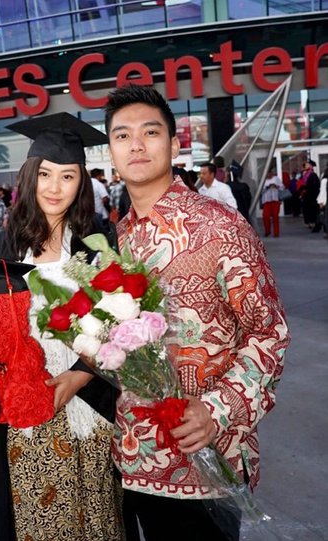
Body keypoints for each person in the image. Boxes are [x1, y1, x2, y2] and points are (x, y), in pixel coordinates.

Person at [104, 84, 290, 541]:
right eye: (121, 135)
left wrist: (217, 410)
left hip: (208, 466)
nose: (136, 144)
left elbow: (269, 333)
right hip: (135, 461)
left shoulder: (220, 226)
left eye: (150, 132)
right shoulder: (117, 240)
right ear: (111, 152)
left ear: (173, 143)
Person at [0, 112, 123, 541]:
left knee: (94, 523)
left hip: (88, 411)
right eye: (45, 174)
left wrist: (81, 375)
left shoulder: (98, 248)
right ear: (29, 176)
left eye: (68, 176)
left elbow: (125, 331)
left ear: (81, 183)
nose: (54, 188)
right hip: (16, 418)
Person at [261, 169, 284, 237]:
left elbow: (282, 187)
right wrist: (267, 187)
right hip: (266, 201)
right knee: (266, 216)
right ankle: (267, 231)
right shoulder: (262, 180)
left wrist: (276, 186)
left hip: (275, 200)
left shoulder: (276, 179)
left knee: (275, 217)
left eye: (270, 173)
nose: (268, 175)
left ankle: (276, 233)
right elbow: (260, 191)